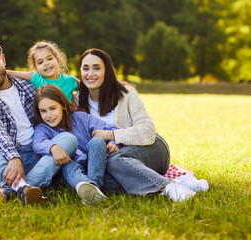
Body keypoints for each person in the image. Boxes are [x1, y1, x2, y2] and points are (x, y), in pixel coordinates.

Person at [76, 49, 208, 202]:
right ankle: (181, 183)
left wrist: (112, 136)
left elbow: (148, 131)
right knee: (105, 181)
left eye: (97, 68)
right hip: (117, 161)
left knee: (114, 161)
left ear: (107, 71)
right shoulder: (78, 100)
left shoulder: (126, 93)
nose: (90, 73)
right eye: (86, 68)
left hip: (150, 148)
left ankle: (168, 188)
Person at [0, 39, 72, 204]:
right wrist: (13, 158)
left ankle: (14, 190)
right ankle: (22, 186)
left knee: (69, 139)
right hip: (3, 160)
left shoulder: (28, 87)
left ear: (3, 59)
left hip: (36, 154)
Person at [28, 84, 118, 203]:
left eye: (53, 108)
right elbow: (38, 143)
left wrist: (112, 142)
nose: (49, 115)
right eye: (43, 111)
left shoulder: (80, 118)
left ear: (63, 106)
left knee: (97, 141)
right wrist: (53, 148)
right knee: (67, 165)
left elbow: (109, 128)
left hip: (94, 165)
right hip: (72, 170)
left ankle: (92, 189)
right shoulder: (42, 129)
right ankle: (92, 188)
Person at [0, 40, 79, 101]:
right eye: (40, 62)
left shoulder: (71, 81)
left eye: (49, 58)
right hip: (47, 124)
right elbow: (9, 72)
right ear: (36, 67)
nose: (46, 63)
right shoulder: (37, 78)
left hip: (69, 121)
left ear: (58, 60)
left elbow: (87, 88)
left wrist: (78, 107)